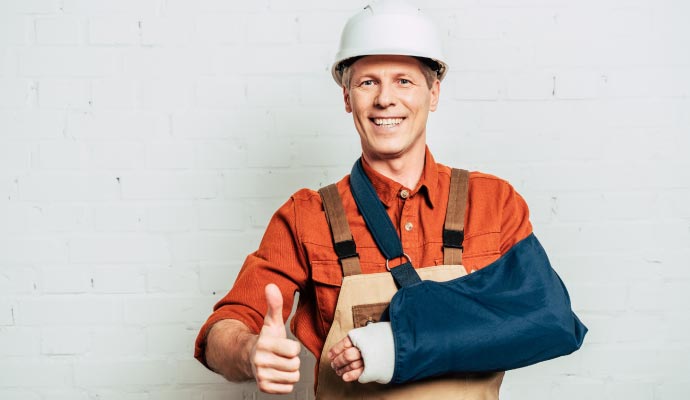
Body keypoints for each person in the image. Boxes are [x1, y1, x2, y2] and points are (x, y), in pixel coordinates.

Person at [194, 1, 585, 398]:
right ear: (347, 97)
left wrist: (396, 347)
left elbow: (548, 319)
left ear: (433, 93)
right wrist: (249, 351)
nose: (385, 99)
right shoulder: (307, 216)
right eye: (367, 83)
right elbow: (223, 327)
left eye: (404, 81)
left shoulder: (493, 203)